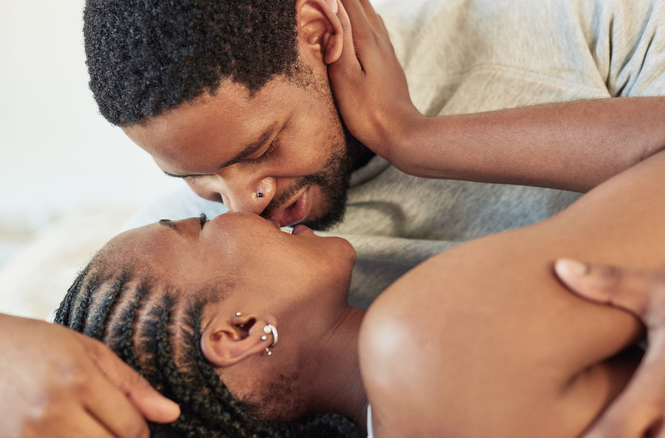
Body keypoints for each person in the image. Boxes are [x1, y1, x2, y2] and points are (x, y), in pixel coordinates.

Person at [0, 0, 665, 436]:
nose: (244, 202)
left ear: (320, 31)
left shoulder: (571, 20)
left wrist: (415, 140)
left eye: (263, 146)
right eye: (196, 185)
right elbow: (99, 342)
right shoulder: (197, 273)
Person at [45, 147, 665, 437]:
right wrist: (414, 139)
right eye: (202, 224)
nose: (245, 208)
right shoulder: (419, 342)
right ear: (237, 331)